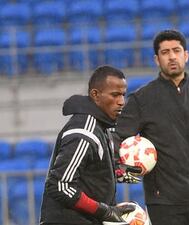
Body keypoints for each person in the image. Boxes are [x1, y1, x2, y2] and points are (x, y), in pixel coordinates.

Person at [115, 29, 189, 225]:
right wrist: (121, 167)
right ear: (156, 59)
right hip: (164, 204)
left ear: (185, 55)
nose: (172, 57)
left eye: (176, 50)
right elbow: (117, 138)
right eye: (165, 52)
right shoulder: (141, 99)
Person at [40, 65, 137, 225]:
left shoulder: (102, 126)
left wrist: (139, 172)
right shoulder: (84, 130)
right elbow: (60, 185)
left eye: (123, 95)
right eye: (115, 95)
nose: (121, 102)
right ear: (95, 95)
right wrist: (104, 211)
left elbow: (104, 172)